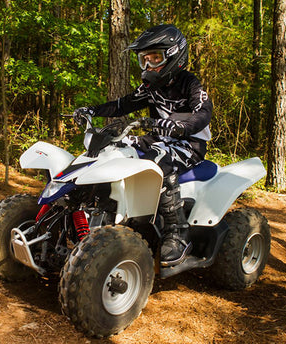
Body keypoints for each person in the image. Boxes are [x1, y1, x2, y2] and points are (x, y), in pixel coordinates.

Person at [74, 24, 212, 265]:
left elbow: (203, 112)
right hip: (159, 138)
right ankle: (106, 212)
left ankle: (178, 234)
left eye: (155, 58)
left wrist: (181, 126)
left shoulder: (190, 83)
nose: (148, 65)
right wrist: (92, 110)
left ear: (174, 55)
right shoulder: (151, 87)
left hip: (189, 143)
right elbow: (123, 104)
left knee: (157, 162)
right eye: (144, 59)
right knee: (115, 148)